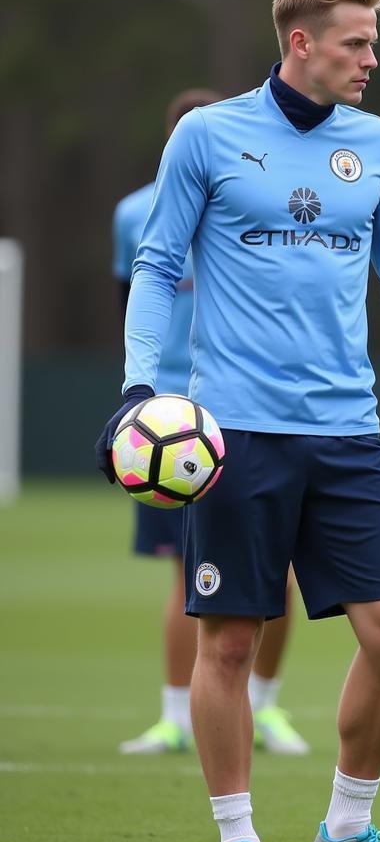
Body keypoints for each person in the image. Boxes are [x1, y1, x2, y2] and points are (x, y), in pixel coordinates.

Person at [95, 0, 380, 842]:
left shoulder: (379, 144)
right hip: (233, 438)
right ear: (300, 42)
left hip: (347, 433)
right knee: (228, 642)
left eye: (372, 42)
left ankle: (348, 828)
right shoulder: (208, 135)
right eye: (355, 43)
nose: (370, 59)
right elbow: (154, 263)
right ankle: (238, 841)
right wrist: (141, 388)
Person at [114, 89, 309, 759]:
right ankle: (174, 717)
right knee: (184, 575)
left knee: (280, 572)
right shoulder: (134, 213)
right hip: (165, 423)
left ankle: (263, 706)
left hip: (247, 411)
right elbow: (136, 297)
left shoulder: (260, 194)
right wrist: (138, 400)